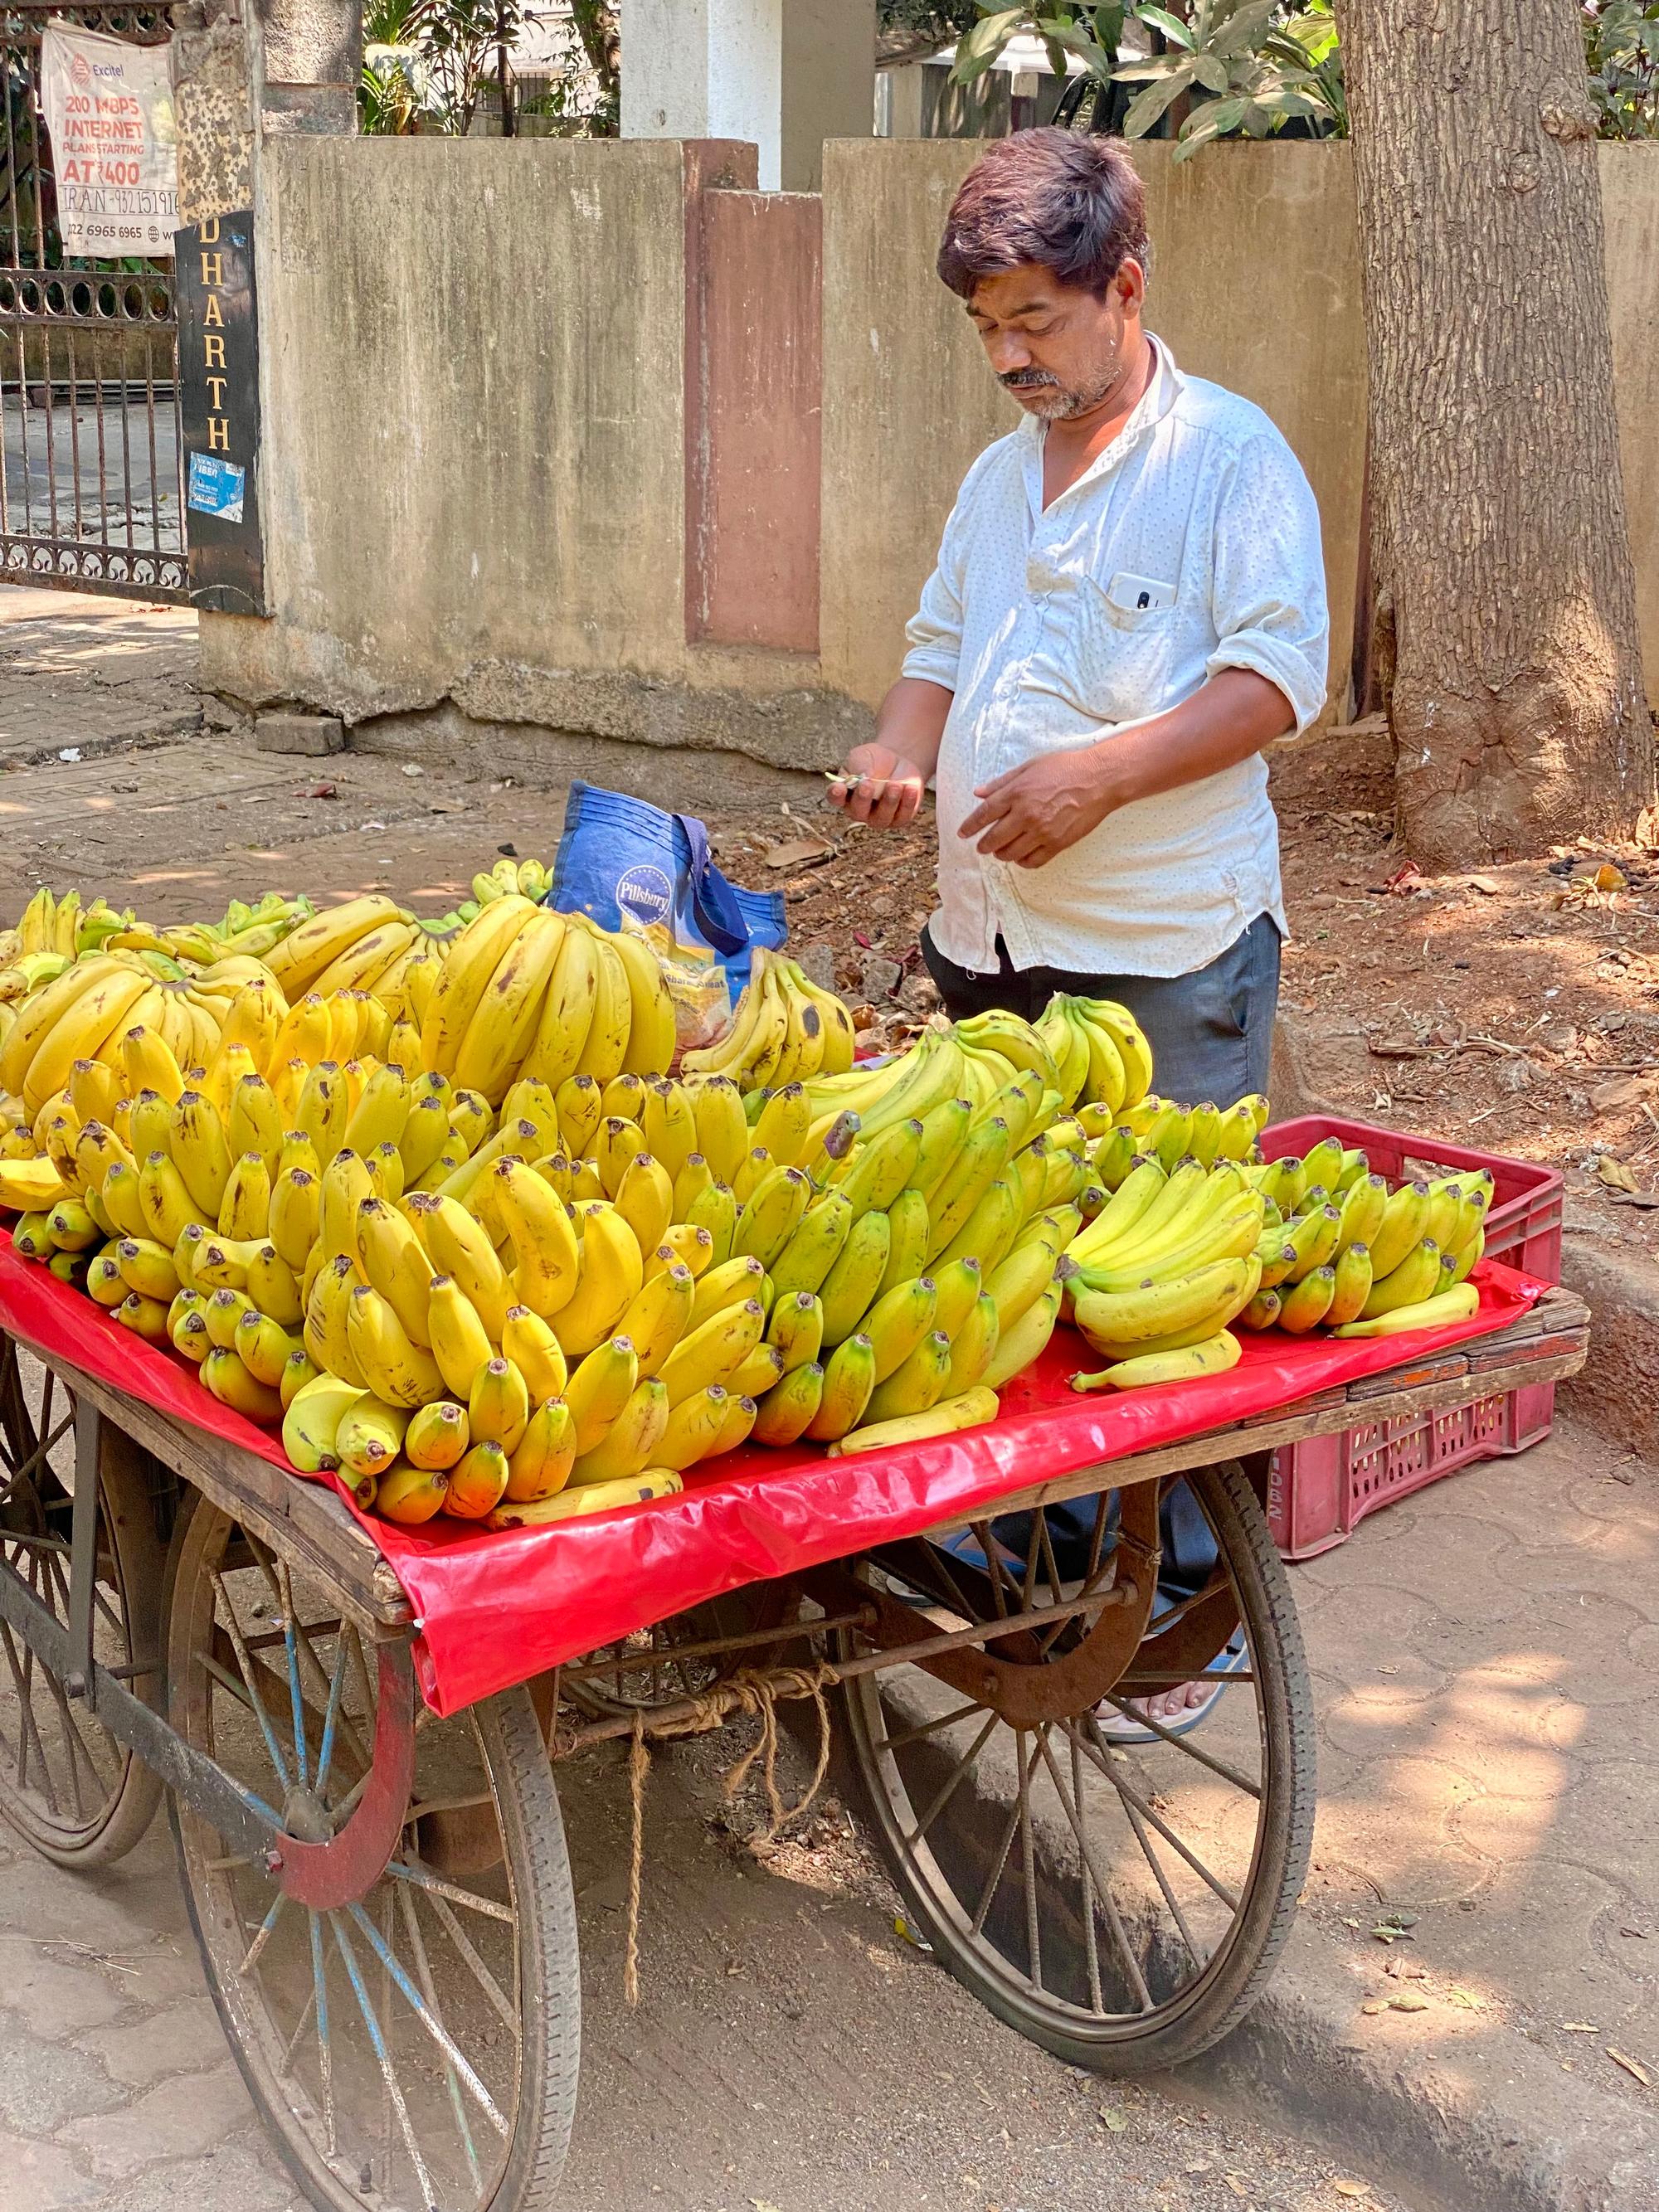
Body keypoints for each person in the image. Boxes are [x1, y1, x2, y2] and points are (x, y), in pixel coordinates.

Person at [830, 128, 1328, 1732]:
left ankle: (1186, 1618)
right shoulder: (996, 478)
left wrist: (1098, 779)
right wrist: (906, 747)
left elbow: (1275, 683)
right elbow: (934, 642)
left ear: (1126, 286)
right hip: (987, 937)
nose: (1010, 356)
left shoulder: (1228, 461)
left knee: (1163, 1297)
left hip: (1160, 949)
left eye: (1037, 319)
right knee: (1027, 1276)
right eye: (986, 328)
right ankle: (1046, 1563)